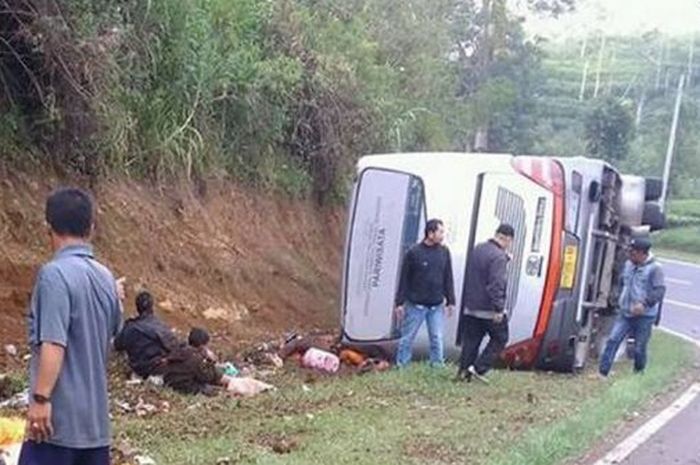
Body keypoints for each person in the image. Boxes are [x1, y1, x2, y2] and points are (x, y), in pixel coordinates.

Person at [20, 188, 122, 465]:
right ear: (91, 228)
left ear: (48, 227)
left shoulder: (54, 275)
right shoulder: (106, 278)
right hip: (96, 427)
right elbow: (113, 335)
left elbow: (54, 343)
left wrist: (40, 400)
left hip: (56, 427)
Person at [599, 237, 665, 377]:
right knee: (613, 340)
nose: (630, 255)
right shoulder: (628, 265)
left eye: (633, 253)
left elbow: (659, 291)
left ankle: (638, 373)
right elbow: (622, 282)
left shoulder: (655, 269)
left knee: (639, 347)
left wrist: (644, 303)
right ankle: (603, 372)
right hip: (625, 312)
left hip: (644, 316)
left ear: (643, 253)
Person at [457, 224, 514, 383]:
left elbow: (482, 271)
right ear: (507, 239)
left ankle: (463, 372)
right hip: (488, 309)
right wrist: (499, 309)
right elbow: (496, 284)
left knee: (471, 341)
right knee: (501, 338)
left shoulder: (479, 249)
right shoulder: (498, 257)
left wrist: (504, 258)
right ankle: (478, 368)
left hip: (471, 306)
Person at [394, 219, 456, 367]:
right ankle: (402, 364)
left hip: (436, 304)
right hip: (416, 304)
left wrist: (451, 300)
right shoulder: (414, 252)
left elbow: (448, 277)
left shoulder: (444, 252)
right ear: (430, 233)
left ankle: (437, 365)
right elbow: (404, 279)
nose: (442, 235)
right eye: (440, 232)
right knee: (408, 337)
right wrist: (399, 303)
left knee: (436, 337)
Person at [114, 291, 180, 378]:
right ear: (152, 307)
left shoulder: (130, 327)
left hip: (139, 368)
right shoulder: (160, 326)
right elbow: (174, 347)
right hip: (157, 368)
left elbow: (118, 345)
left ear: (137, 308)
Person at [162, 328, 227, 395]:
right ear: (202, 346)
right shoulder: (196, 358)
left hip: (169, 382)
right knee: (214, 390)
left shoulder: (179, 349)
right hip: (184, 387)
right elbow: (207, 377)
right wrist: (211, 361)